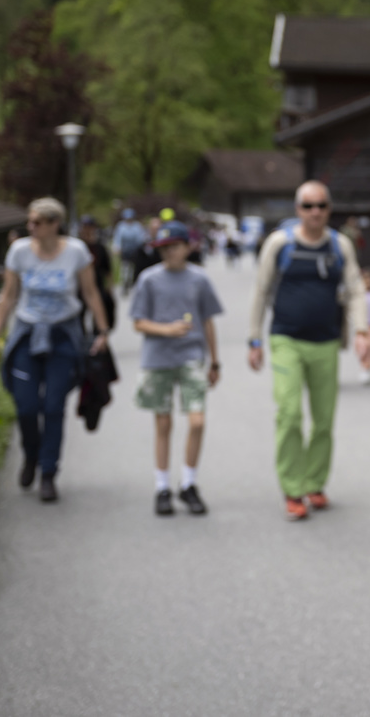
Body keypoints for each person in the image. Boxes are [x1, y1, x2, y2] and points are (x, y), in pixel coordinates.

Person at [248, 181, 370, 521]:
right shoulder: (279, 243)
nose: (315, 212)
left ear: (329, 209)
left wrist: (361, 331)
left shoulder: (338, 245)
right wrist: (253, 338)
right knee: (289, 414)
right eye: (307, 205)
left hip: (326, 342)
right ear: (297, 209)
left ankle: (314, 482)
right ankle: (292, 489)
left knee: (323, 420)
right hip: (285, 339)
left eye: (321, 205)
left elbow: (356, 288)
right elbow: (260, 291)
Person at [0, 198, 110, 503]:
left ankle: (49, 472)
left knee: (53, 407)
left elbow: (91, 292)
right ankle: (30, 455)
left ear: (55, 224)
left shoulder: (76, 251)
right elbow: (8, 296)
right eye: (30, 221)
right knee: (26, 407)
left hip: (63, 334)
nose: (31, 227)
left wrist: (102, 331)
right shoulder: (20, 251)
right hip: (28, 333)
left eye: (37, 222)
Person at [130, 220, 223, 516]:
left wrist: (215, 360)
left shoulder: (199, 279)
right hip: (158, 357)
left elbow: (208, 320)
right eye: (163, 248)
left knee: (197, 421)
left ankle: (189, 482)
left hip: (191, 355)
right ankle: (162, 486)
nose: (169, 253)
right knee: (164, 423)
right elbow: (138, 321)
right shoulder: (149, 279)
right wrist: (166, 330)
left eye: (174, 247)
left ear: (187, 247)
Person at [112, 209, 148, 290]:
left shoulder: (137, 226)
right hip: (124, 251)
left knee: (132, 268)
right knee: (124, 268)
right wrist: (116, 247)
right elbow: (117, 238)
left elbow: (141, 238)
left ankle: (130, 283)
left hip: (134, 251)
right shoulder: (121, 226)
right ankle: (124, 282)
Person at [131, 217, 163, 285]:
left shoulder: (164, 245)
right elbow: (138, 265)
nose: (155, 231)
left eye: (157, 229)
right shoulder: (143, 243)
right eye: (153, 229)